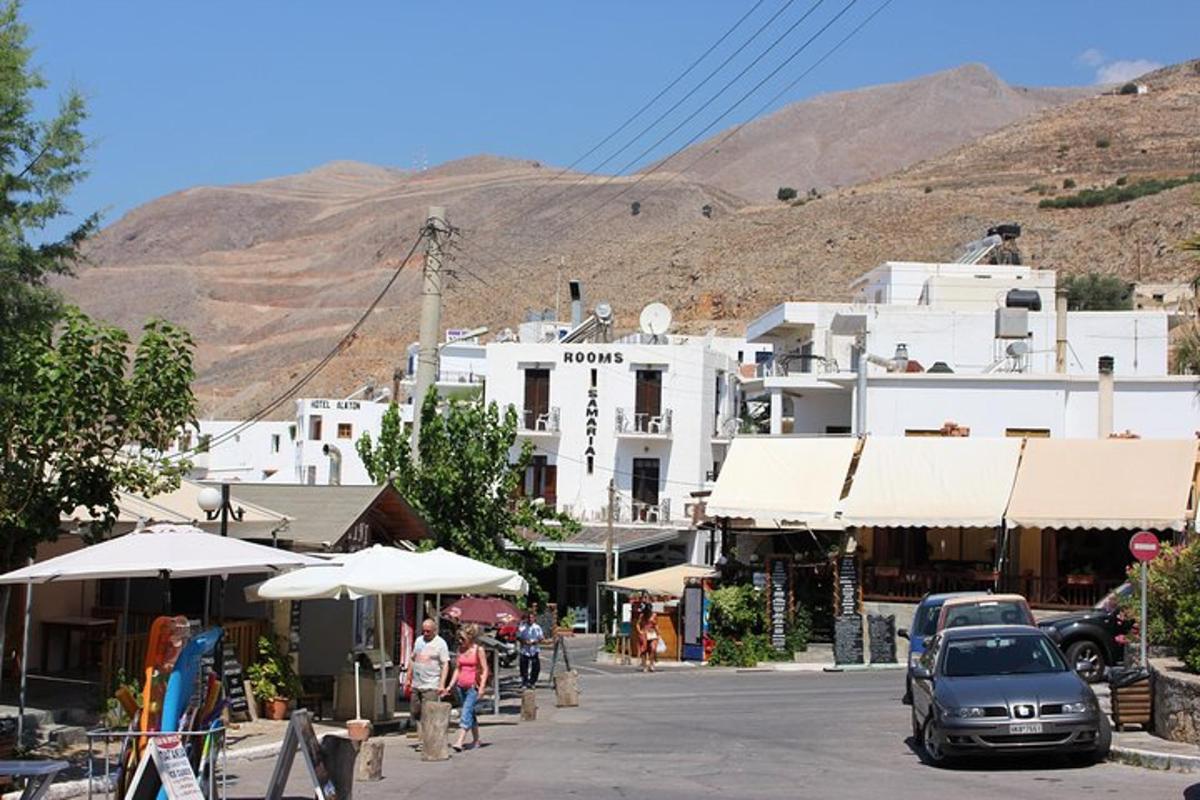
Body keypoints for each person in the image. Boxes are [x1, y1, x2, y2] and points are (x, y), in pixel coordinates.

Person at [443, 623, 489, 751]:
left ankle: (459, 740)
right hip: (460, 686)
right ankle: (476, 739)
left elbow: (485, 670)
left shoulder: (478, 650)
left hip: (473, 687)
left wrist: (482, 687)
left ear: (470, 637)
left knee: (466, 712)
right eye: (459, 638)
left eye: (462, 638)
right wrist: (450, 686)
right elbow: (458, 669)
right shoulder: (460, 650)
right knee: (470, 712)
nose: (460, 641)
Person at [405, 618, 449, 722]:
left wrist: (442, 684)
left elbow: (445, 664)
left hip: (431, 684)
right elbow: (412, 659)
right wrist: (408, 677)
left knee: (428, 712)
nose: (425, 633)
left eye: (428, 631)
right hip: (417, 683)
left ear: (435, 630)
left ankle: (428, 734)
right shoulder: (419, 640)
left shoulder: (440, 643)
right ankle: (420, 730)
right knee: (415, 711)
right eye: (423, 631)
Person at [516, 610, 544, 689]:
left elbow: (541, 638)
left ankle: (532, 682)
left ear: (534, 618)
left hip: (534, 649)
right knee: (523, 667)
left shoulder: (537, 627)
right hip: (525, 650)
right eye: (529, 618)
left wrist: (535, 642)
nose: (530, 619)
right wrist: (524, 641)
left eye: (532, 618)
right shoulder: (522, 627)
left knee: (536, 667)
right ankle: (524, 682)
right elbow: (518, 636)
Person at [637, 604, 660, 673]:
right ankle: (644, 665)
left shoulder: (654, 615)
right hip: (644, 634)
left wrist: (658, 633)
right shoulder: (642, 616)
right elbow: (638, 624)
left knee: (652, 648)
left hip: (652, 634)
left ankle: (651, 664)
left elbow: (656, 625)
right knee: (644, 650)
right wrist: (640, 631)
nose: (648, 612)